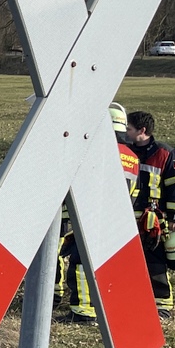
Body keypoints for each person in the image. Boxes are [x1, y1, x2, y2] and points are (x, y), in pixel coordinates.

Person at [58, 103, 140, 321]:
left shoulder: (98, 151)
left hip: (93, 216)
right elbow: (136, 190)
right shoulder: (132, 156)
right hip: (118, 219)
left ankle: (83, 311)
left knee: (80, 262)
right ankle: (106, 307)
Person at [127, 110, 175, 316]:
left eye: (129, 129)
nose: (126, 132)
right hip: (126, 216)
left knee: (155, 262)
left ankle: (162, 306)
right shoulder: (125, 150)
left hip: (152, 218)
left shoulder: (165, 154)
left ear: (142, 131)